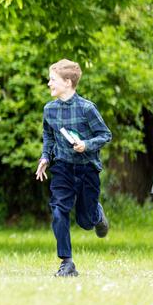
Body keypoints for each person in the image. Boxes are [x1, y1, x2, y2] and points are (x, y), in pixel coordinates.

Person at [35, 59, 111, 277]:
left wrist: (86, 144)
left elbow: (105, 135)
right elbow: (49, 136)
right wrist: (45, 157)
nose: (49, 83)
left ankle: (97, 214)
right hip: (63, 168)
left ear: (68, 82)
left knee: (85, 222)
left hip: (87, 169)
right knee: (58, 211)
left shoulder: (87, 108)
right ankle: (67, 263)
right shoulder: (49, 109)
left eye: (53, 79)